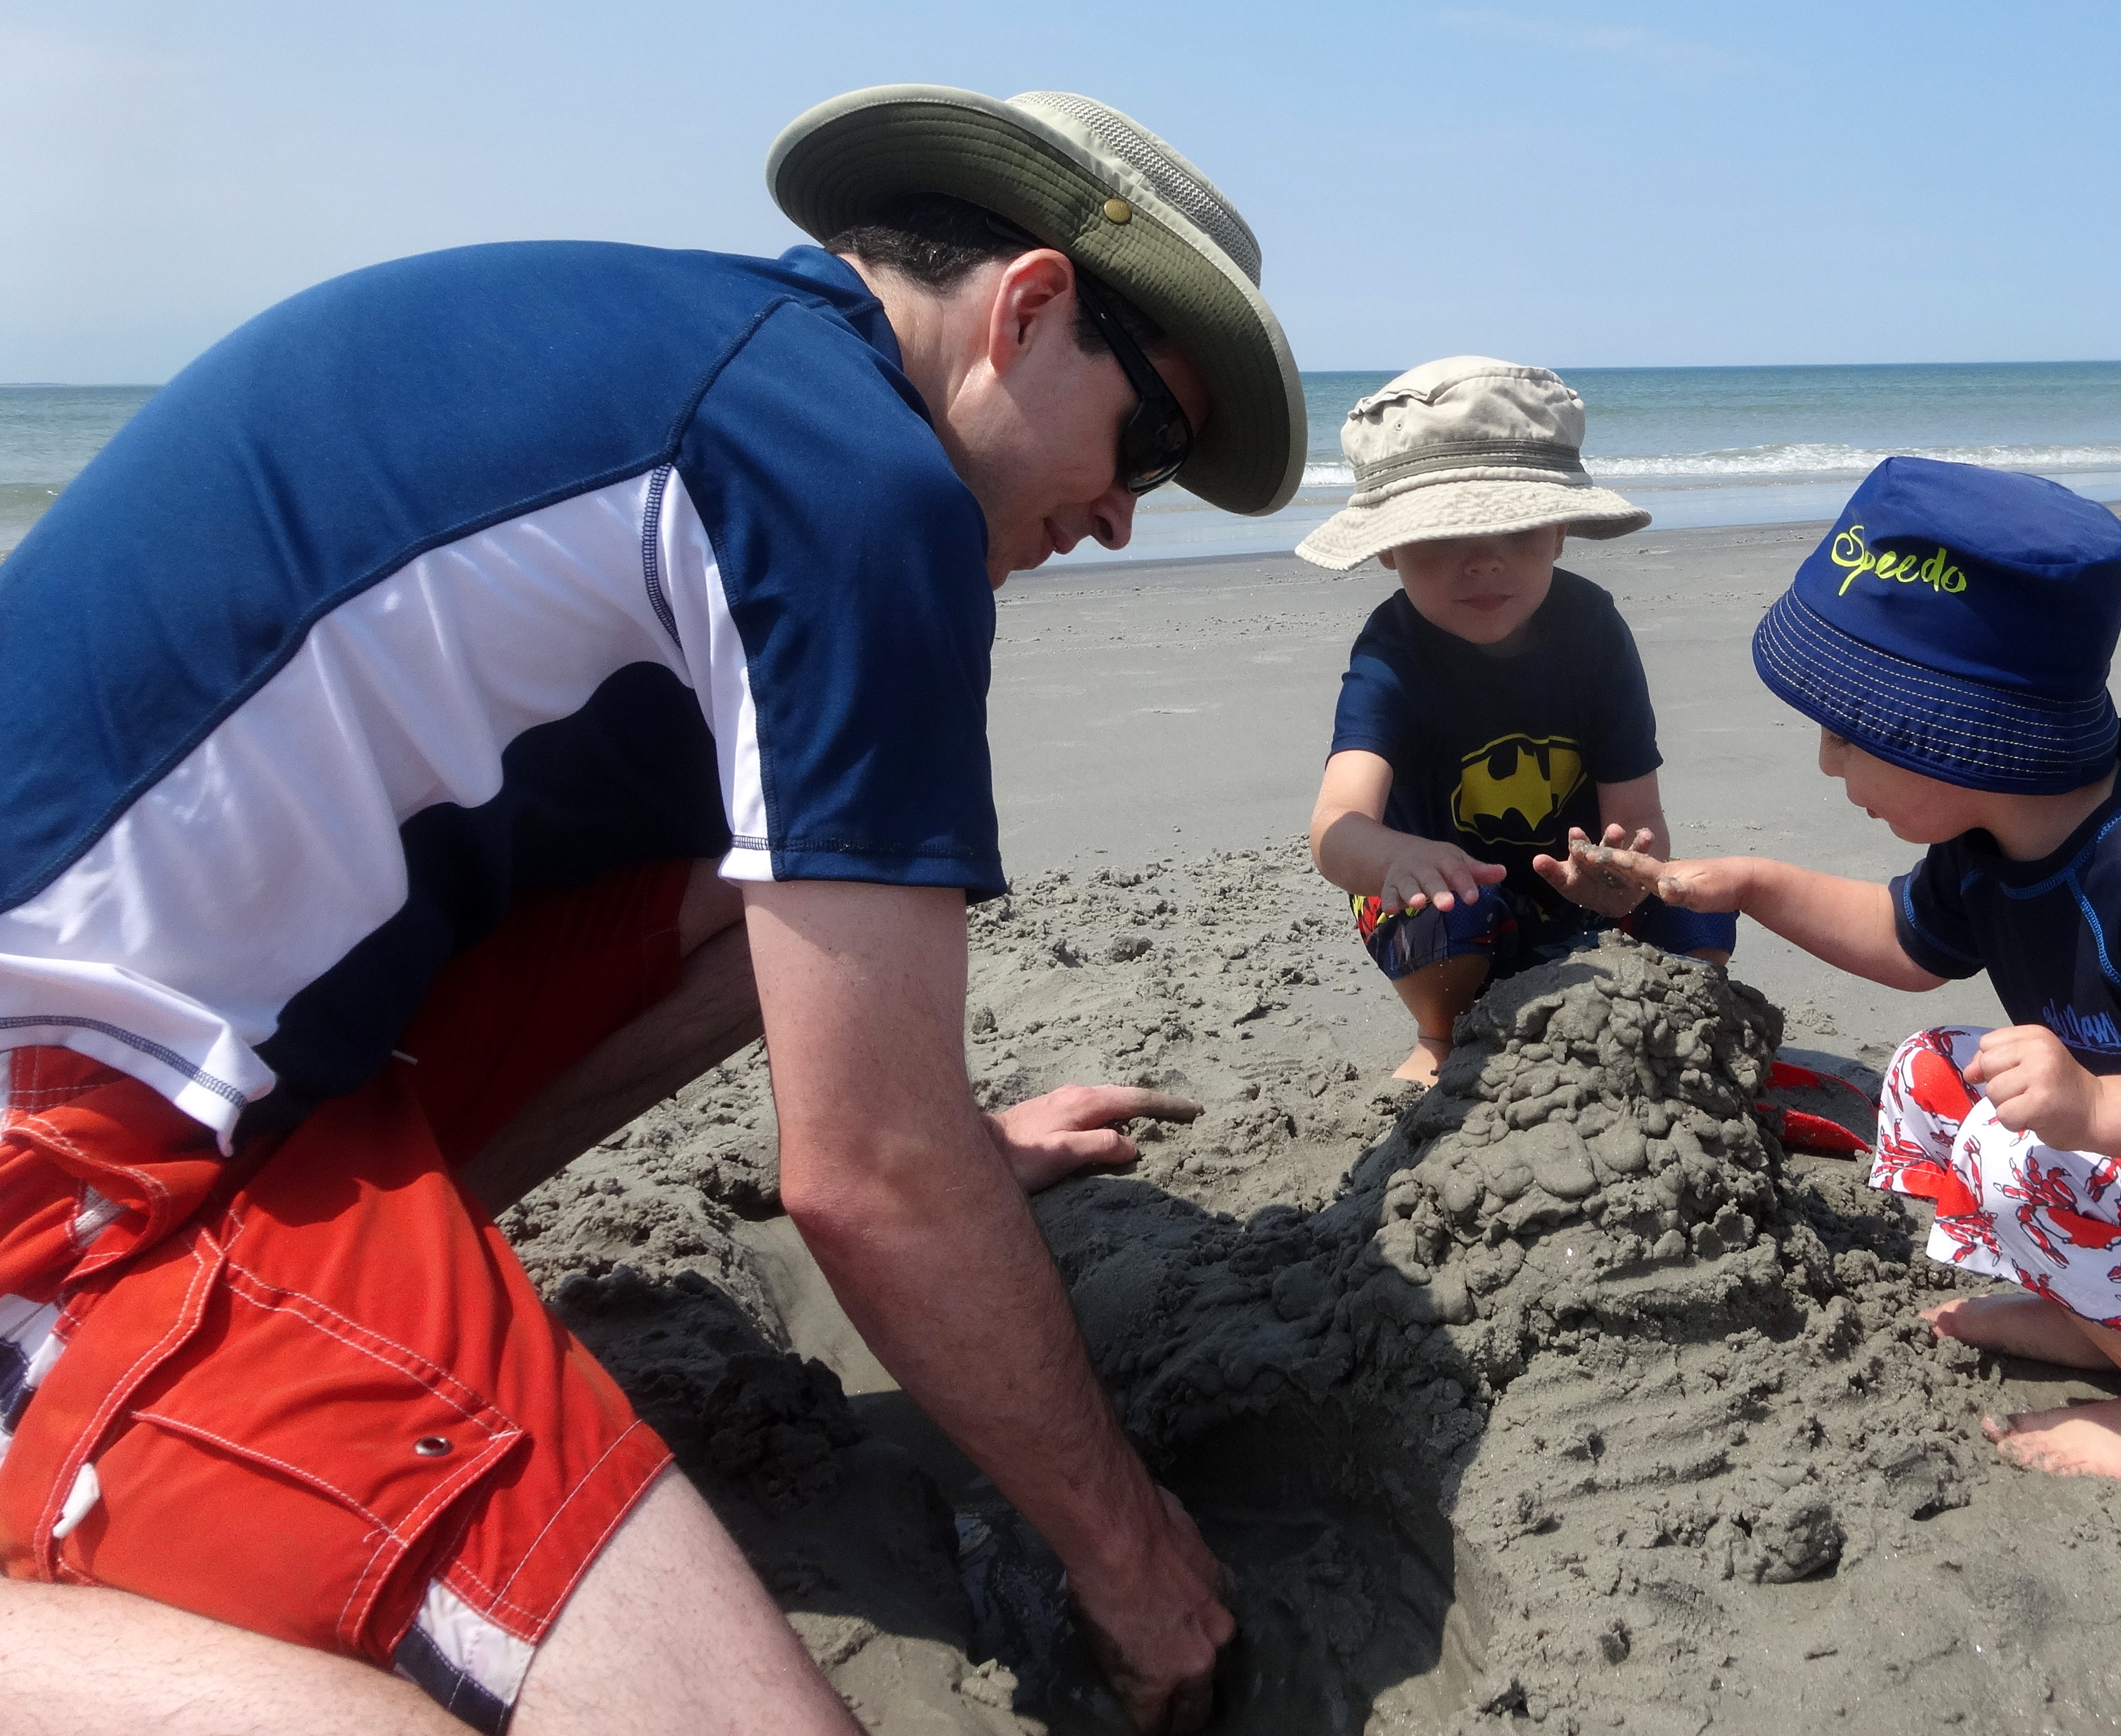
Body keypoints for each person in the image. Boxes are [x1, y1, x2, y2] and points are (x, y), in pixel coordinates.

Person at [0, 84, 1303, 1734]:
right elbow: (873, 1182)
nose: (1123, 515)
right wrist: (1137, 1563)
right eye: (1150, 441)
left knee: (759, 884)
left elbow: (849, 1053)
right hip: (69, 1161)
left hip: (214, 1041)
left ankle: (347, 1313)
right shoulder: (848, 478)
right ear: (1031, 308)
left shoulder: (714, 368)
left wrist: (938, 1147)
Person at [1569, 457, 2121, 1494]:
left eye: (1850, 733)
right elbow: (1902, 942)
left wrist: (2095, 1110)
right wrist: (1746, 884)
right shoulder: (1994, 838)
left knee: (2024, 1152)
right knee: (1933, 1073)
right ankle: (2112, 1316)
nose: (1829, 764)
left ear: (1956, 732)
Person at [1301, 358, 1737, 1083]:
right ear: (1387, 547)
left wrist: (1620, 874)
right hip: (1447, 903)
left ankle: (1672, 1025)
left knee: (1699, 901)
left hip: (1575, 898)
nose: (1483, 561)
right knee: (1450, 915)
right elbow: (1335, 826)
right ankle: (1442, 1038)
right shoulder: (1392, 653)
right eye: (1442, 536)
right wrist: (1395, 858)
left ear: (1560, 530)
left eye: (1516, 528)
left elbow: (1639, 817)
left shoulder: (1593, 631)